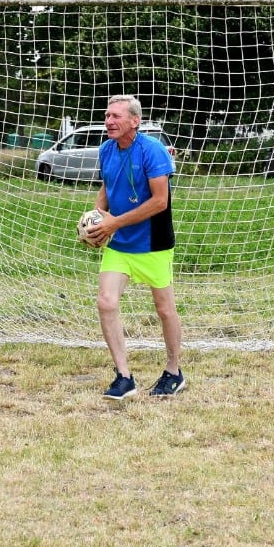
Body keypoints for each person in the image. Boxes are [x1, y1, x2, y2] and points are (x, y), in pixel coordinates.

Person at [86, 94, 185, 399]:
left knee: (164, 309)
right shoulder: (106, 149)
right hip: (120, 246)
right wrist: (94, 220)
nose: (109, 121)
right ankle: (124, 377)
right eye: (107, 116)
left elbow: (159, 201)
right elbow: (107, 186)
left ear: (134, 121)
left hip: (153, 243)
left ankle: (174, 371)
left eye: (116, 116)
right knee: (106, 302)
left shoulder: (153, 151)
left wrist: (114, 223)